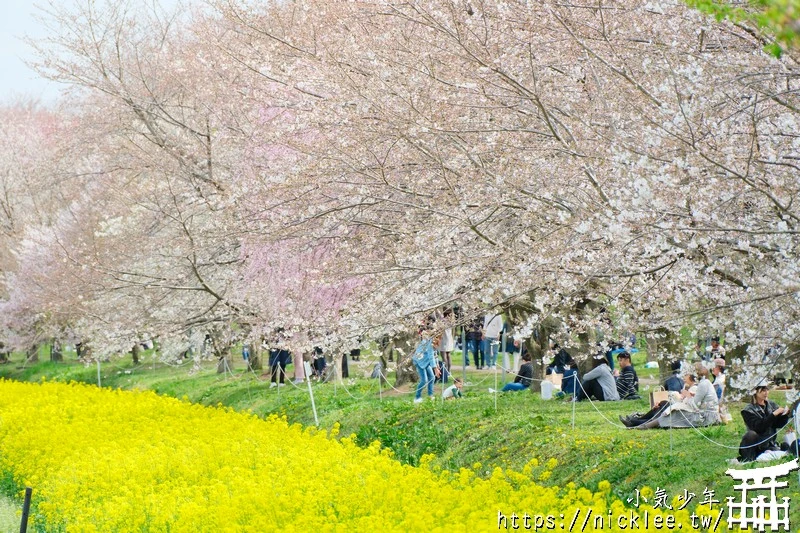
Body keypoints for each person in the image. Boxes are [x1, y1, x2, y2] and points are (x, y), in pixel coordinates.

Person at [637, 363, 719, 429]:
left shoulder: (703, 384)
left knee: (677, 413)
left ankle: (646, 425)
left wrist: (688, 396)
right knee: (674, 410)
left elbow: (695, 406)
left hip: (706, 417)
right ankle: (644, 424)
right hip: (705, 414)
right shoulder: (704, 383)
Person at [737, 385, 796, 462]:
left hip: (769, 444)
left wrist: (785, 415)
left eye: (767, 390)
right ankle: (749, 458)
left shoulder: (771, 404)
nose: (766, 393)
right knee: (751, 434)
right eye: (763, 391)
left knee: (785, 448)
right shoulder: (748, 410)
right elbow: (758, 427)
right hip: (755, 444)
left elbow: (778, 424)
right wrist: (773, 414)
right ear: (755, 392)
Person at [620, 374, 695, 428]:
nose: (684, 377)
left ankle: (633, 422)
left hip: (681, 410)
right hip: (677, 406)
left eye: (686, 375)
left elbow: (689, 402)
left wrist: (681, 395)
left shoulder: (695, 388)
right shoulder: (687, 386)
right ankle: (635, 420)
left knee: (664, 405)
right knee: (661, 404)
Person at [413, 327, 441, 403]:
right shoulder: (429, 342)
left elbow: (435, 355)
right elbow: (431, 356)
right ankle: (417, 397)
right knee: (424, 380)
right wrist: (435, 369)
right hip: (420, 362)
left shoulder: (432, 342)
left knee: (432, 377)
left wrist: (437, 365)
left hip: (426, 362)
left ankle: (430, 395)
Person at [438, 308, 455, 372]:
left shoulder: (443, 320)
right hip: (449, 339)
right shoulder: (452, 321)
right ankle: (449, 370)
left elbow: (438, 314)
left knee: (443, 356)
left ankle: (445, 370)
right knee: (448, 355)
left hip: (443, 339)